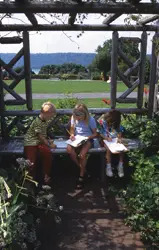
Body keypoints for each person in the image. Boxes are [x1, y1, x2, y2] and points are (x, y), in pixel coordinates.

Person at [24, 102, 56, 185]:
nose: (51, 118)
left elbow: (43, 135)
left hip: (39, 143)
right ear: (46, 113)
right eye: (51, 115)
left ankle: (46, 175)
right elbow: (40, 137)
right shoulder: (38, 122)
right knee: (31, 161)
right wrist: (49, 145)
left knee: (47, 153)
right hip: (31, 142)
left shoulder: (44, 120)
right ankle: (30, 179)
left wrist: (48, 141)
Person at [67, 103, 97, 189]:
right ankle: (84, 170)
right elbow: (72, 130)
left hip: (87, 139)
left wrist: (87, 137)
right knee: (69, 150)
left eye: (79, 117)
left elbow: (95, 134)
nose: (77, 119)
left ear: (85, 114)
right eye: (76, 117)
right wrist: (72, 135)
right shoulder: (74, 118)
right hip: (77, 139)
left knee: (82, 155)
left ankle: (81, 176)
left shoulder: (90, 120)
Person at [99, 109, 125, 178]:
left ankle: (120, 165)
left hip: (114, 140)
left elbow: (120, 131)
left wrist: (119, 138)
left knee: (121, 147)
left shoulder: (117, 122)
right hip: (105, 140)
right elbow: (100, 133)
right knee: (108, 149)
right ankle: (108, 166)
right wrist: (106, 138)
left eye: (112, 123)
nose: (111, 124)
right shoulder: (102, 122)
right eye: (110, 123)